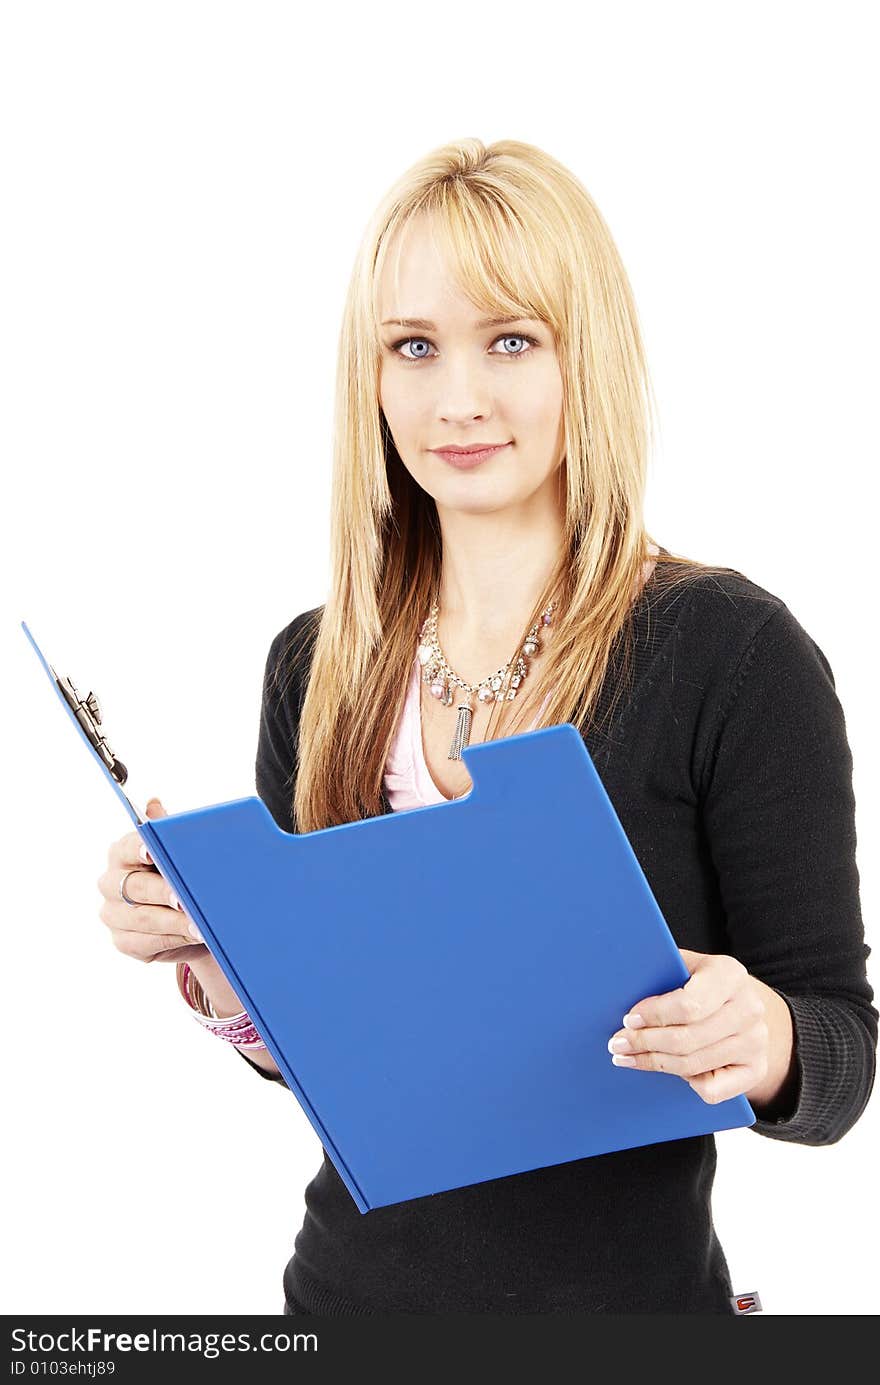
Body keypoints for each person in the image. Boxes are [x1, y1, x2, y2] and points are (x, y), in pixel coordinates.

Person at [97, 137, 877, 1315]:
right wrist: (222, 963)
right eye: (412, 347)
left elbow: (839, 1055)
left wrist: (761, 1032)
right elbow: (338, 1070)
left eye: (510, 339)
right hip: (340, 1309)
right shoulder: (314, 660)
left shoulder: (729, 650)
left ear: (587, 359)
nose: (455, 398)